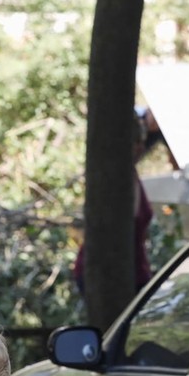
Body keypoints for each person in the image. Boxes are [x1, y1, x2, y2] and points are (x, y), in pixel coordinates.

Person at [72, 109, 154, 295]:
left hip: (135, 273)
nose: (140, 148)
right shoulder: (113, 181)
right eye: (134, 143)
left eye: (141, 141)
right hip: (112, 277)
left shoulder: (131, 175)